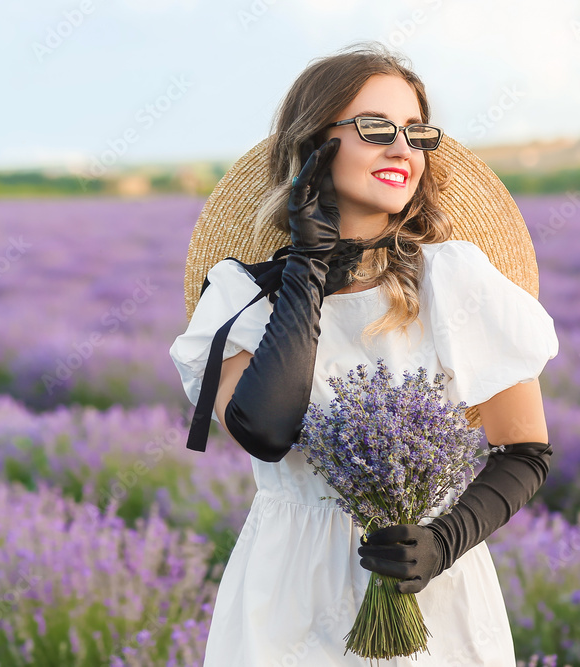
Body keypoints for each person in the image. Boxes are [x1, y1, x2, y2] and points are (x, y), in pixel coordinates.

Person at [169, 42, 559, 666]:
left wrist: (441, 541)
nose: (402, 149)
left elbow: (527, 451)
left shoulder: (455, 280)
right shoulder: (242, 295)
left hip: (432, 589)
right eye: (376, 129)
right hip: (287, 593)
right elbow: (266, 431)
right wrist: (305, 265)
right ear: (313, 149)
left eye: (416, 133)